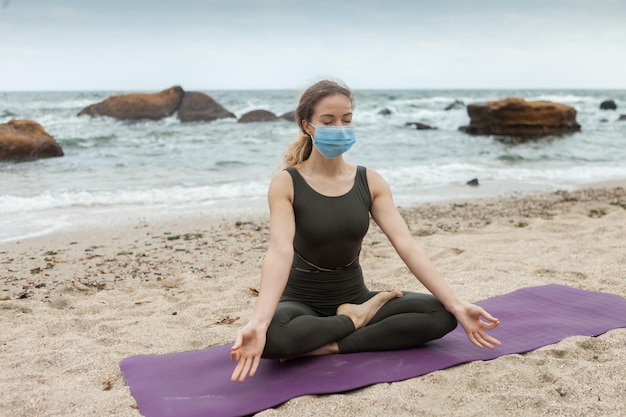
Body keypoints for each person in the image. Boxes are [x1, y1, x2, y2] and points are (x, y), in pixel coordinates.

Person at [230, 79, 501, 382]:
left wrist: (457, 304)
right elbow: (279, 252)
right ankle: (355, 320)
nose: (340, 127)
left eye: (346, 119)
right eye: (328, 121)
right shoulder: (287, 182)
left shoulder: (370, 181)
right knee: (273, 338)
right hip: (300, 302)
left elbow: (406, 244)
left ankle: (335, 340)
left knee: (441, 316)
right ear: (307, 125)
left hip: (356, 294)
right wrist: (258, 321)